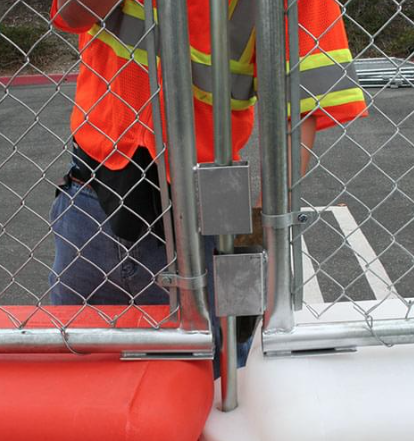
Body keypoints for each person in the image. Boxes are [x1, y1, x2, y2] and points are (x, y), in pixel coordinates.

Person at [49, 0, 367, 372]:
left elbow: (300, 111)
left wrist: (260, 245)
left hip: (205, 213)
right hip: (93, 196)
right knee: (79, 375)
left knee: (205, 388)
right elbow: (71, 15)